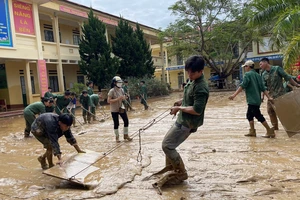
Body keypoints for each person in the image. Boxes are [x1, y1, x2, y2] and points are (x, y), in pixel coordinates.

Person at [152, 55, 209, 192]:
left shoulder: (201, 87)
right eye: (187, 71)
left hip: (188, 123)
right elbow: (189, 98)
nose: (189, 74)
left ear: (201, 71)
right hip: (182, 120)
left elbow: (197, 110)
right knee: (168, 143)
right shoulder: (192, 81)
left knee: (167, 146)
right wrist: (180, 102)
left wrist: (179, 108)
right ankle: (171, 168)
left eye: (192, 72)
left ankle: (180, 173)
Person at [229, 60, 275, 138]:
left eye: (245, 67)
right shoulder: (258, 75)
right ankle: (252, 131)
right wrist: (269, 97)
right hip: (257, 100)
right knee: (249, 115)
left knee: (258, 115)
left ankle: (269, 130)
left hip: (252, 100)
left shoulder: (247, 75)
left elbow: (242, 86)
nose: (245, 68)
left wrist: (234, 95)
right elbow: (263, 88)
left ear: (248, 67)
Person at [260, 57, 300, 130]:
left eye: (261, 64)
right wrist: (262, 97)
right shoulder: (263, 74)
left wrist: (296, 85)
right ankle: (275, 128)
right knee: (270, 111)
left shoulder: (277, 69)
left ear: (266, 62)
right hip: (271, 97)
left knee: (285, 113)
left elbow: (287, 77)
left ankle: (294, 128)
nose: (260, 66)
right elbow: (263, 87)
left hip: (281, 95)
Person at [107, 76, 132, 142]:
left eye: (121, 82)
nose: (120, 83)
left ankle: (126, 135)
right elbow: (108, 101)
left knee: (126, 121)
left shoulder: (122, 90)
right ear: (115, 83)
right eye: (119, 82)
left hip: (121, 108)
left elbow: (123, 98)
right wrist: (118, 99)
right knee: (116, 123)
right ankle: (117, 137)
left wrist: (125, 97)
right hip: (114, 109)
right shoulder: (111, 91)